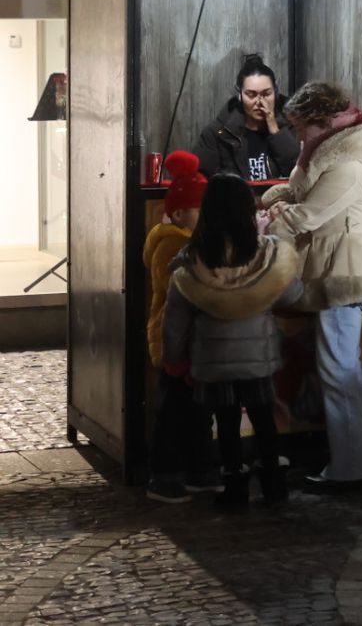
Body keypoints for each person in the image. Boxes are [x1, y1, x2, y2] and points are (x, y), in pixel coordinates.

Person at [263, 81, 362, 491]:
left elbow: (306, 215)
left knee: (338, 371)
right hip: (335, 271)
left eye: (302, 127)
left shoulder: (348, 167)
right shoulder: (332, 158)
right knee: (347, 371)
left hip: (342, 275)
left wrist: (274, 213)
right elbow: (300, 198)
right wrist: (281, 200)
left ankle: (350, 469)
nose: (298, 136)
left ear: (323, 123)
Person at [162, 172, 304, 510]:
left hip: (213, 359)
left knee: (225, 423)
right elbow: (293, 294)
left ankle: (235, 491)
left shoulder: (191, 259)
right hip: (257, 356)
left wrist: (174, 360)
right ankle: (274, 486)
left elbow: (175, 319)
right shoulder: (268, 254)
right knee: (263, 419)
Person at [141, 149, 220, 503]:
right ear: (178, 212)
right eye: (198, 209)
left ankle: (200, 470)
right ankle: (164, 475)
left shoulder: (190, 242)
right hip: (174, 339)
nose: (204, 216)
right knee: (173, 410)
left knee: (199, 410)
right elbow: (171, 295)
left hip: (193, 341)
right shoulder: (172, 244)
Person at [195, 53, 300, 182]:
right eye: (251, 95)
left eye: (267, 94)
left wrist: (275, 128)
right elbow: (201, 179)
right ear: (239, 94)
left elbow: (299, 172)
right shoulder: (218, 133)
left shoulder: (294, 125)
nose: (260, 102)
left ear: (276, 91)